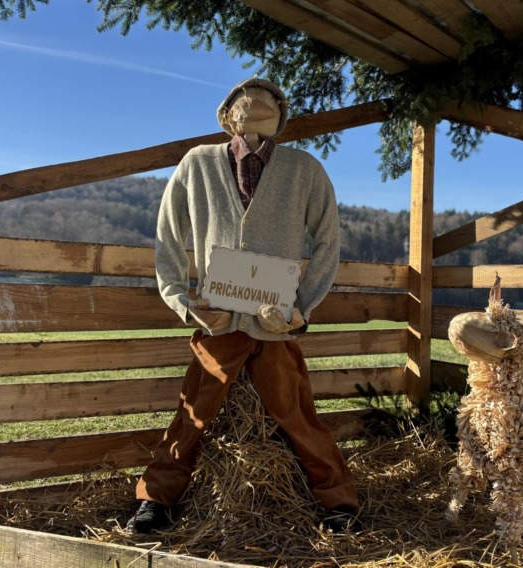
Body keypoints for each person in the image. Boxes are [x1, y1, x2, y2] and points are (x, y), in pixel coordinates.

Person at [126, 78, 359, 535]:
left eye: (268, 103)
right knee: (192, 412)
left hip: (275, 323)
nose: (255, 108)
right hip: (218, 320)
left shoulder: (304, 170)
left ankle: (339, 502)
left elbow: (329, 241)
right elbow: (167, 236)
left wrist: (300, 311)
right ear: (225, 114)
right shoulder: (198, 164)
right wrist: (183, 304)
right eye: (244, 104)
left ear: (280, 114)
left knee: (298, 414)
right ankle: (156, 499)